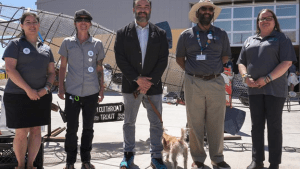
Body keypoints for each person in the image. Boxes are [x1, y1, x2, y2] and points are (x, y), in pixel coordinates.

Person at [237, 9, 297, 169]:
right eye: (262, 18)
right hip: (254, 91)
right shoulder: (250, 40)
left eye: (268, 18)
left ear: (275, 21)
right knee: (256, 126)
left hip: (275, 91)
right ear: (257, 22)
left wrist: (268, 78)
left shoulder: (282, 38)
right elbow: (241, 62)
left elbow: (287, 63)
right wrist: (245, 78)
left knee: (274, 127)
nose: (265, 20)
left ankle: (274, 164)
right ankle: (257, 161)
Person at [176, 0, 232, 168]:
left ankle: (217, 157)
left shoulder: (221, 34)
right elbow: (180, 59)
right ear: (197, 13)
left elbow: (225, 57)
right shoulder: (186, 35)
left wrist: (210, 69)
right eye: (204, 9)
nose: (207, 11)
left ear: (212, 13)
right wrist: (195, 71)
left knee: (217, 121)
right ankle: (198, 159)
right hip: (193, 82)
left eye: (210, 9)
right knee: (195, 122)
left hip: (215, 81)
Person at [114, 0, 169, 168]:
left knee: (156, 122)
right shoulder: (123, 33)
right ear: (134, 9)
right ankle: (128, 155)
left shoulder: (160, 33)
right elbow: (120, 59)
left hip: (154, 86)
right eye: (139, 6)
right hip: (131, 86)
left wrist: (148, 81)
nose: (142, 10)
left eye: (146, 7)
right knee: (129, 122)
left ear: (150, 9)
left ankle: (156, 156)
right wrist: (137, 79)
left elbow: (163, 59)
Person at [2, 12, 55, 169]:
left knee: (37, 131)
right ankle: (20, 165)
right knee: (22, 131)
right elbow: (10, 69)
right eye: (28, 22)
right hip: (18, 95)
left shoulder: (46, 48)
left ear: (38, 25)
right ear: (22, 26)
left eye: (34, 22)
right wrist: (29, 90)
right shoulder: (15, 45)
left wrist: (46, 89)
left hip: (41, 96)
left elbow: (51, 73)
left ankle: (31, 165)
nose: (32, 25)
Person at [58, 9, 105, 169]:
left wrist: (101, 88)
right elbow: (63, 67)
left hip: (91, 93)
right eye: (79, 20)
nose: (83, 23)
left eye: (86, 20)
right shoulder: (67, 43)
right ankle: (70, 162)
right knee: (72, 128)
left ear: (90, 24)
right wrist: (61, 87)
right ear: (75, 23)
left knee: (88, 128)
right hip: (72, 92)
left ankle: (86, 160)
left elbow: (99, 68)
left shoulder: (97, 44)